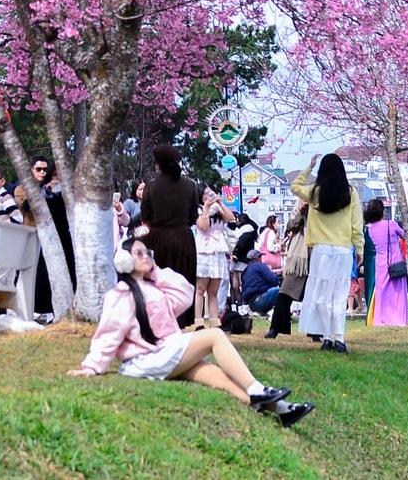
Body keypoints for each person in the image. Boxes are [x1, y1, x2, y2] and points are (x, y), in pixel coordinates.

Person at [70, 240, 314, 428]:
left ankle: (279, 410)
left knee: (217, 375)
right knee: (215, 336)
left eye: (148, 252)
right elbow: (108, 333)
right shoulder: (120, 293)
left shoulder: (153, 286)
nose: (146, 256)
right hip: (146, 360)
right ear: (123, 260)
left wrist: (155, 271)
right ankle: (257, 388)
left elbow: (185, 295)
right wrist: (92, 366)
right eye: (139, 253)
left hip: (165, 353)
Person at [291, 155, 361, 353]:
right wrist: (360, 249)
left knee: (321, 297)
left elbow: (295, 187)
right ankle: (339, 339)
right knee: (339, 297)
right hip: (343, 250)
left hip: (321, 250)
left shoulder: (315, 192)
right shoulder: (350, 193)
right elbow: (357, 224)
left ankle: (326, 339)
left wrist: (308, 168)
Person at [136, 144, 201, 327]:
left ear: (158, 165)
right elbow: (193, 216)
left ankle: (158, 321)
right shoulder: (190, 186)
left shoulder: (151, 187)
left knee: (158, 281)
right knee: (182, 281)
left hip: (157, 239)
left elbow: (145, 217)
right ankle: (179, 322)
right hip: (183, 239)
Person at [30, 157, 77, 320]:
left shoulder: (71, 192)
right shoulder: (43, 191)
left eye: (61, 176)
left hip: (66, 237)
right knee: (44, 274)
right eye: (55, 176)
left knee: (70, 271)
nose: (58, 180)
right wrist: (49, 191)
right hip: (48, 239)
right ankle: (42, 309)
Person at [362, 197, 408, 327]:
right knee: (398, 292)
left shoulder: (370, 229)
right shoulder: (391, 224)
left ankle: (382, 318)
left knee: (382, 293)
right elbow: (405, 235)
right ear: (382, 211)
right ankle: (400, 319)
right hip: (396, 262)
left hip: (381, 264)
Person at [265, 201, 310, 339]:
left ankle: (316, 332)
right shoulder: (301, 203)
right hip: (299, 255)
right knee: (285, 292)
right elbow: (291, 225)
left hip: (317, 252)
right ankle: (276, 328)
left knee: (315, 295)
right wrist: (302, 211)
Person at [193, 187, 232, 329]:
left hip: (218, 251)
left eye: (210, 193)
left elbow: (231, 218)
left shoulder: (218, 210)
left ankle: (215, 322)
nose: (208, 196)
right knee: (200, 289)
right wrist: (206, 208)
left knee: (213, 291)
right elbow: (203, 226)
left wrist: (221, 203)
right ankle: (199, 321)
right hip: (204, 252)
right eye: (204, 194)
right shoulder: (197, 210)